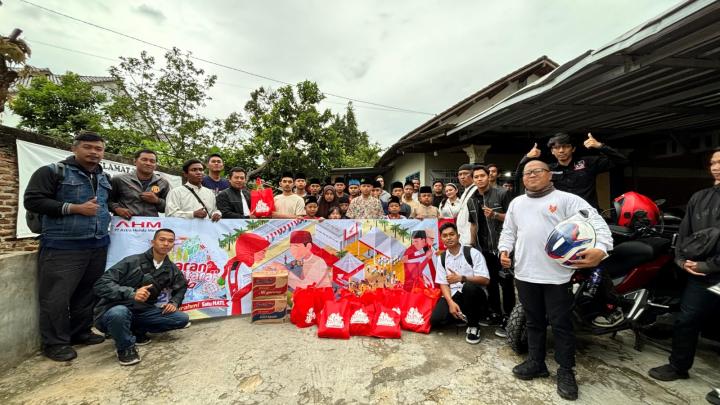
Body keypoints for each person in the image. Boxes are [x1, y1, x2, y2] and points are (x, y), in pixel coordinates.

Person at [498, 159, 612, 401]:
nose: (530, 175)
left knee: (561, 325)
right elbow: (509, 232)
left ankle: (565, 370)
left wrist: (601, 249)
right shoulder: (517, 203)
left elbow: (598, 225)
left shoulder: (567, 200)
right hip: (524, 273)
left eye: (537, 171)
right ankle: (536, 362)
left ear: (550, 175)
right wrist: (504, 250)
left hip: (557, 276)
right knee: (534, 322)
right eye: (527, 173)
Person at [24, 131, 112, 361]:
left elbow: (107, 204)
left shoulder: (104, 177)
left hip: (97, 243)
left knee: (87, 292)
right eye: (88, 147)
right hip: (62, 245)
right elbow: (33, 200)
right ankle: (55, 343)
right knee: (56, 296)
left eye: (98, 148)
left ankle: (80, 332)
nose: (94, 152)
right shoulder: (52, 171)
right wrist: (74, 208)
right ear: (75, 148)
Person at [649, 149, 720, 388]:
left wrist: (709, 264)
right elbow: (685, 233)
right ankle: (679, 366)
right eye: (712, 162)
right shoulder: (700, 197)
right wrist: (681, 260)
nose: (715, 167)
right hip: (700, 274)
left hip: (711, 269)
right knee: (687, 320)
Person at [93, 228, 189, 366]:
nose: (166, 243)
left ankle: (137, 330)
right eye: (162, 240)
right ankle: (125, 348)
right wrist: (131, 293)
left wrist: (174, 302)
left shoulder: (170, 268)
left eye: (170, 241)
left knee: (181, 319)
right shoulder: (131, 261)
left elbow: (182, 286)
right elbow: (100, 284)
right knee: (119, 313)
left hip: (141, 311)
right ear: (153, 242)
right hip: (112, 310)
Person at [518, 132, 629, 209]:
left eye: (565, 146)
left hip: (587, 215)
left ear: (573, 149)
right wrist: (527, 157)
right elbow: (520, 175)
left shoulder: (587, 163)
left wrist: (600, 146)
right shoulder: (548, 169)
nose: (561, 150)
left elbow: (622, 161)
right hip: (559, 215)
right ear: (552, 151)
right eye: (556, 147)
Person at [467, 165, 513, 336]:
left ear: (489, 177)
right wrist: (472, 244)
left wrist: (495, 215)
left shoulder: (502, 193)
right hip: (483, 249)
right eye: (476, 177)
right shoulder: (471, 199)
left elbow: (513, 218)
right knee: (490, 282)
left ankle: (509, 318)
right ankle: (495, 314)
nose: (479, 179)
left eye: (482, 176)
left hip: (502, 248)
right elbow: (473, 224)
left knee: (506, 283)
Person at [430, 222, 490, 344]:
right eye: (445, 236)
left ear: (458, 236)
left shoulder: (472, 253)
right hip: (455, 294)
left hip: (475, 294)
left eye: (452, 234)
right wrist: (450, 302)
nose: (448, 238)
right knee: (436, 320)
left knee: (468, 288)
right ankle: (464, 315)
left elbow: (485, 280)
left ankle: (474, 326)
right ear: (441, 239)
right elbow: (443, 283)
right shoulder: (442, 258)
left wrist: (462, 278)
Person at [109, 149, 170, 218]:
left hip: (151, 225)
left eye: (152, 161)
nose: (148, 163)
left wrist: (157, 200)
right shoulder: (119, 179)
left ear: (155, 165)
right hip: (124, 224)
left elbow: (168, 208)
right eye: (144, 160)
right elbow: (107, 201)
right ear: (135, 161)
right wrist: (117, 209)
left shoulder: (163, 183)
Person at [221, 232, 271, 316]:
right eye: (262, 252)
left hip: (246, 310)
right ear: (251, 250)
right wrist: (261, 278)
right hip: (238, 311)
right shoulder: (237, 266)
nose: (264, 256)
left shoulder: (243, 264)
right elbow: (235, 295)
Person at [456, 163, 478, 246]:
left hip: (470, 239)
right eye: (460, 174)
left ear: (472, 175)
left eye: (465, 174)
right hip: (462, 237)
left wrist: (472, 240)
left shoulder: (476, 190)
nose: (462, 177)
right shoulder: (465, 191)